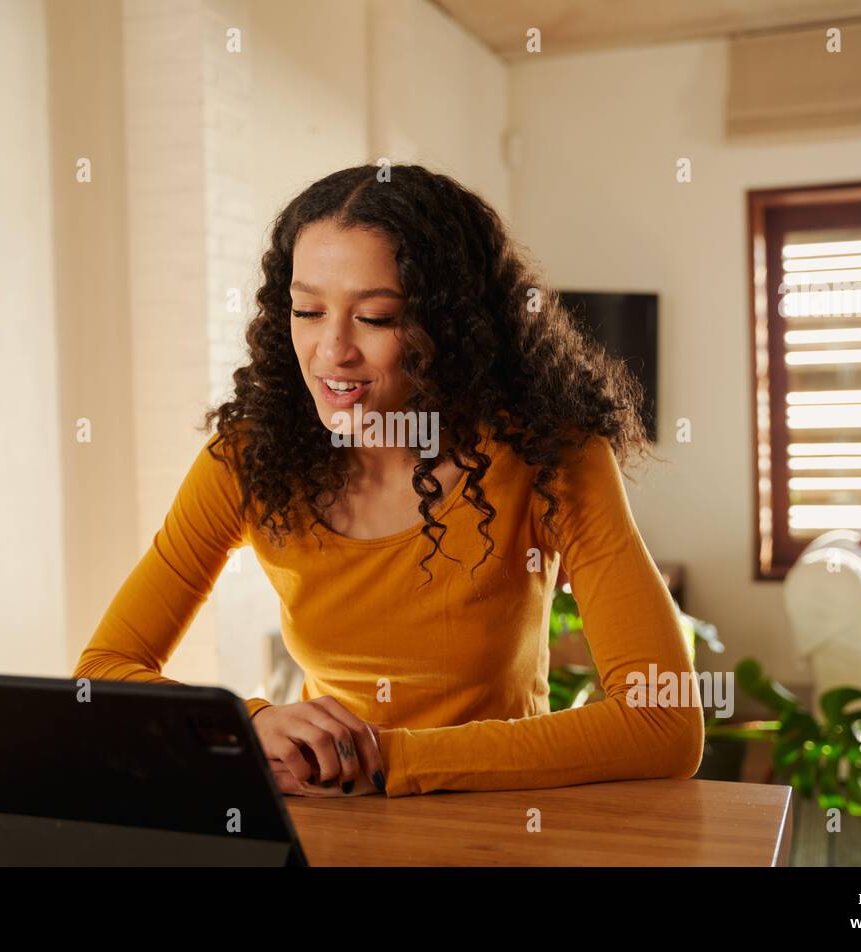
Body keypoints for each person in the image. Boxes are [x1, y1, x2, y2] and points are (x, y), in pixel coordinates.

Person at [73, 163, 704, 798]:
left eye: (375, 318)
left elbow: (663, 721)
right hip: (330, 824)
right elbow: (100, 674)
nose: (331, 350)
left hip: (498, 825)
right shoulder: (247, 460)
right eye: (308, 310)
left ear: (453, 328)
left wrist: (385, 761)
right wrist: (252, 723)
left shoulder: (550, 456)